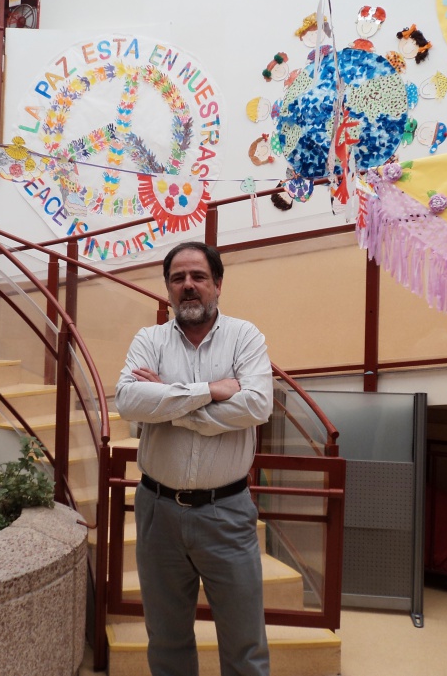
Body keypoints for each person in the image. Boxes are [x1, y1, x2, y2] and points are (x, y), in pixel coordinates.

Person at [115, 241, 274, 676]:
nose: (188, 285)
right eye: (178, 278)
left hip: (227, 513)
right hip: (157, 511)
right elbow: (128, 401)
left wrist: (170, 405)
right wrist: (211, 390)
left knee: (244, 645)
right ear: (167, 288)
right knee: (167, 641)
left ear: (217, 284)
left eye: (198, 277)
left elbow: (257, 405)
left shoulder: (245, 337)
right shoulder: (149, 340)